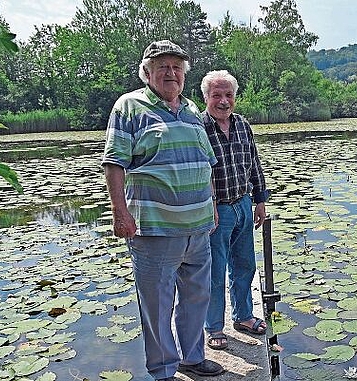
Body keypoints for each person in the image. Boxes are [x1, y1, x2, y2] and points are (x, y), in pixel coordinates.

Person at [102, 40, 224, 380]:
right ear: (147, 72)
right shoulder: (129, 107)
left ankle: (193, 358)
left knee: (197, 297)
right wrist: (119, 211)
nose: (170, 73)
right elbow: (114, 163)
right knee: (156, 307)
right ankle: (164, 370)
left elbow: (206, 164)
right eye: (162, 67)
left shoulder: (191, 111)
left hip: (198, 228)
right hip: (154, 230)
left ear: (184, 74)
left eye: (176, 67)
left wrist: (212, 206)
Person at [200, 70, 270, 350]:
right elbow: (196, 172)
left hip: (242, 203)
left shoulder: (242, 125)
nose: (223, 101)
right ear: (206, 97)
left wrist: (260, 199)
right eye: (217, 95)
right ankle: (214, 327)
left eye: (228, 95)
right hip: (216, 210)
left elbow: (254, 163)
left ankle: (243, 316)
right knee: (215, 272)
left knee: (244, 266)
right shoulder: (198, 128)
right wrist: (208, 205)